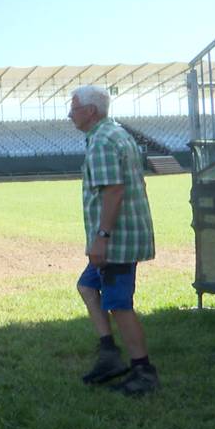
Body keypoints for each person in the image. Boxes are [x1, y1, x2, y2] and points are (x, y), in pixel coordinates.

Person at [68, 85, 158, 396]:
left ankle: (143, 371)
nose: (70, 113)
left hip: (115, 239)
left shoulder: (103, 141)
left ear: (90, 111)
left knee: (119, 304)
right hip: (122, 234)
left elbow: (113, 190)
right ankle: (109, 355)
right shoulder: (115, 134)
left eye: (74, 107)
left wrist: (102, 237)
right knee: (88, 286)